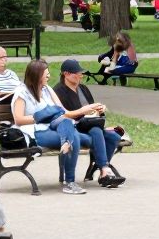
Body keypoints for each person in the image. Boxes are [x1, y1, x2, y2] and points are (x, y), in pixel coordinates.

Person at [12, 59, 85, 195]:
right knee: (74, 137)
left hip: (53, 125)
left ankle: (67, 145)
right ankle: (70, 181)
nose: (49, 76)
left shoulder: (47, 90)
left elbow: (62, 112)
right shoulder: (22, 93)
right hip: (34, 130)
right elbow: (18, 119)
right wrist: (41, 117)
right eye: (46, 74)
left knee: (67, 123)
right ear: (36, 75)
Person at [53, 58, 127, 187]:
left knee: (114, 136)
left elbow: (92, 108)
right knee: (97, 131)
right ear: (66, 74)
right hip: (73, 127)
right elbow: (62, 114)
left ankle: (99, 168)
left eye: (81, 73)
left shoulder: (83, 88)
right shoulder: (58, 91)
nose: (80, 76)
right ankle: (104, 170)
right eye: (77, 73)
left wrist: (100, 109)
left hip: (89, 124)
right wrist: (83, 111)